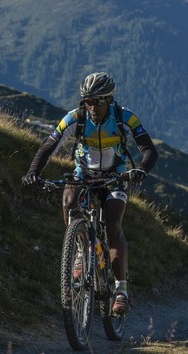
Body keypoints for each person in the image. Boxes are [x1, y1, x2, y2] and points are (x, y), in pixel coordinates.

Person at [22, 72, 158, 315]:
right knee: (68, 201)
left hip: (115, 175)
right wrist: (33, 171)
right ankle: (78, 250)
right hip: (83, 173)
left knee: (113, 224)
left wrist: (140, 170)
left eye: (97, 101)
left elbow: (149, 150)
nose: (92, 106)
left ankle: (121, 290)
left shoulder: (124, 118)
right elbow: (48, 146)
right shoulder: (75, 118)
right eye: (87, 101)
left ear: (109, 99)